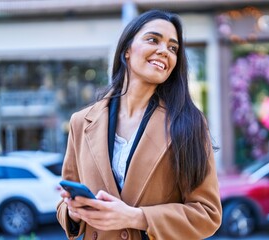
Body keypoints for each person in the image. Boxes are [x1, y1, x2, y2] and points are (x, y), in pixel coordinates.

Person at [57, 9, 222, 240]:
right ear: (126, 50)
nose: (164, 51)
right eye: (153, 40)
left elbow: (208, 214)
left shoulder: (189, 123)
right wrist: (73, 212)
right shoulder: (80, 122)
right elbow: (65, 203)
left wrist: (136, 217)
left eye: (173, 48)